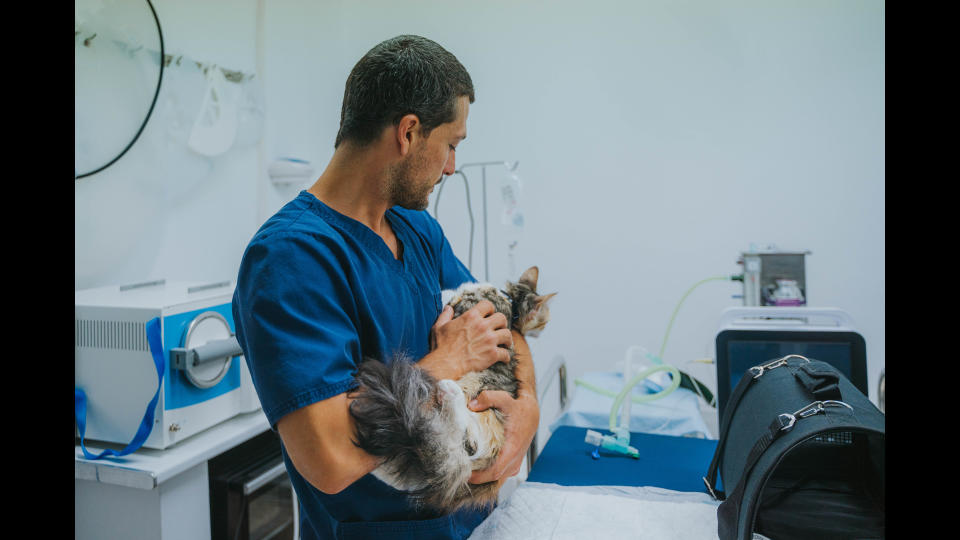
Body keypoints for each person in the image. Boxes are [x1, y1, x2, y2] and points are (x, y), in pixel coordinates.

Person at [232, 35, 540, 539]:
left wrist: (526, 408)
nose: (451, 167)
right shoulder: (290, 259)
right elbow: (328, 454)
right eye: (451, 145)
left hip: (472, 523)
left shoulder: (420, 231)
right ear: (409, 132)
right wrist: (445, 363)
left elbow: (501, 324)